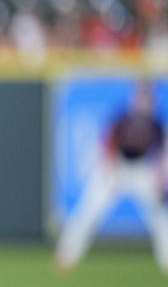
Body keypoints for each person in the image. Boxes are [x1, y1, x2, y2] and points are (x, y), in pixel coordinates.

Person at [54, 81, 168, 275]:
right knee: (90, 209)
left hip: (141, 170)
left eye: (148, 99)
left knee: (159, 216)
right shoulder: (123, 119)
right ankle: (67, 254)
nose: (145, 103)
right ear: (135, 99)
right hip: (117, 166)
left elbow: (162, 157)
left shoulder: (156, 125)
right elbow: (107, 144)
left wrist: (160, 181)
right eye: (141, 98)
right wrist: (109, 170)